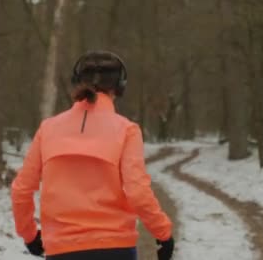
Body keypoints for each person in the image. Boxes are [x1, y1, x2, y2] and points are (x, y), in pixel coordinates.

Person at [11, 50, 174, 260]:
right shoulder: (126, 130)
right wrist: (163, 232)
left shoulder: (48, 129)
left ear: (77, 82)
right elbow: (137, 192)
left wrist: (30, 234)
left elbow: (21, 190)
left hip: (62, 249)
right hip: (115, 248)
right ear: (119, 87)